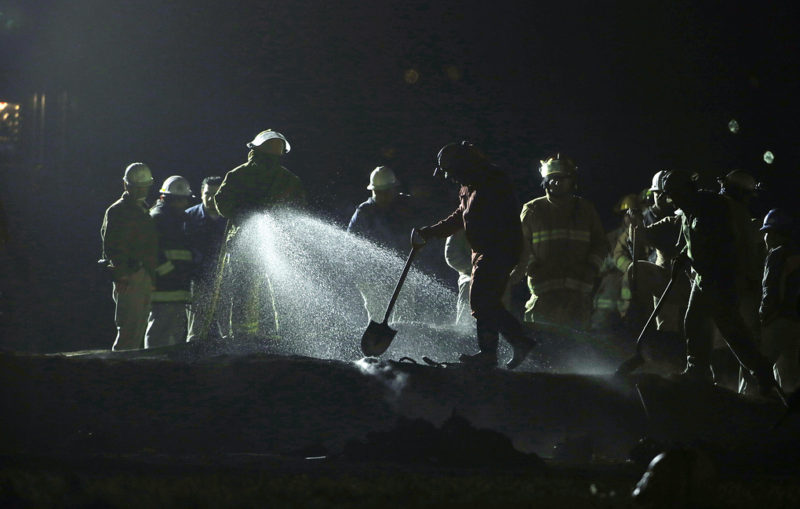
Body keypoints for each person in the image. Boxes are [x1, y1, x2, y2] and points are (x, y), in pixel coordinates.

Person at [653, 170, 780, 397]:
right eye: (672, 195)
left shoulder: (711, 208)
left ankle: (763, 374)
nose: (675, 199)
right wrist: (684, 253)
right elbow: (695, 239)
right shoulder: (692, 208)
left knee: (730, 327)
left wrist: (696, 261)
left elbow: (721, 246)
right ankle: (699, 372)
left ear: (688, 189)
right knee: (695, 321)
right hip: (707, 277)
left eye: (676, 194)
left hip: (723, 277)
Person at [416, 141, 536, 369]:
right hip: (485, 251)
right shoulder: (468, 186)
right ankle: (516, 343)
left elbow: (497, 219)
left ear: (462, 165)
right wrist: (429, 232)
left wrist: (501, 254)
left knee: (481, 301)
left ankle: (492, 353)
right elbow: (460, 216)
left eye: (451, 172)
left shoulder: (493, 180)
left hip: (499, 249)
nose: (450, 178)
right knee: (486, 301)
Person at [214, 129, 306, 341]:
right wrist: (247, 213)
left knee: (253, 291)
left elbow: (297, 210)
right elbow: (223, 202)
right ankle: (271, 337)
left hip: (267, 244)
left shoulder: (241, 175)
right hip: (254, 244)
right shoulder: (285, 179)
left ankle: (250, 337)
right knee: (258, 291)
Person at [514, 154, 608, 331]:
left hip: (578, 289)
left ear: (571, 181)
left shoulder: (585, 209)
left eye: (562, 179)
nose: (556, 183)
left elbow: (600, 244)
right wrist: (532, 267)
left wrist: (592, 267)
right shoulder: (533, 209)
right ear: (545, 181)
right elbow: (521, 245)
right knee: (541, 339)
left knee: (577, 343)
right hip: (543, 288)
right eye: (552, 179)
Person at [347, 166, 419, 321]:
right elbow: (351, 247)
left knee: (405, 318)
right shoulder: (364, 213)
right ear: (373, 191)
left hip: (402, 271)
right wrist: (362, 277)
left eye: (386, 192)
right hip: (371, 276)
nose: (383, 196)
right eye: (379, 192)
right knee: (377, 316)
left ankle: (407, 342)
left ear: (394, 189)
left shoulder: (406, 206)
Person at [100, 162, 158, 351]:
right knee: (128, 330)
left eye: (145, 187)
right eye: (138, 187)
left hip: (142, 274)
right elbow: (113, 247)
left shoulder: (142, 210)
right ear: (126, 185)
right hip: (130, 276)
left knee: (138, 328)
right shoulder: (119, 211)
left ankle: (129, 371)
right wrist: (122, 275)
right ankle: (119, 371)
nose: (142, 191)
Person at [145, 176, 194, 348]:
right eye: (178, 200)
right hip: (163, 285)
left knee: (175, 332)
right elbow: (151, 250)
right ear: (165, 198)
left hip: (178, 285)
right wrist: (168, 271)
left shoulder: (181, 219)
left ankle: (170, 369)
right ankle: (152, 365)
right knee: (159, 330)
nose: (182, 204)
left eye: (183, 200)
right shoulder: (157, 218)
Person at [759, 209, 800, 392]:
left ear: (775, 234)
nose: (765, 238)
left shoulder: (777, 254)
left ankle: (749, 408)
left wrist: (764, 316)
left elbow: (771, 289)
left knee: (758, 369)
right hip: (796, 321)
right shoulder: (796, 254)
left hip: (778, 319)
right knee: (788, 374)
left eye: (766, 233)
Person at [185, 176, 227, 341]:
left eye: (215, 195)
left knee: (227, 328)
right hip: (198, 280)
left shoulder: (230, 217)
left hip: (225, 280)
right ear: (201, 193)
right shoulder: (189, 217)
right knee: (196, 330)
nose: (210, 199)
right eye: (207, 193)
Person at [445, 229, 474, 328]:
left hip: (498, 278)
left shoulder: (502, 220)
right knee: (465, 324)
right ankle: (463, 338)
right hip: (469, 277)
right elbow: (451, 254)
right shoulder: (464, 219)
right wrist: (473, 268)